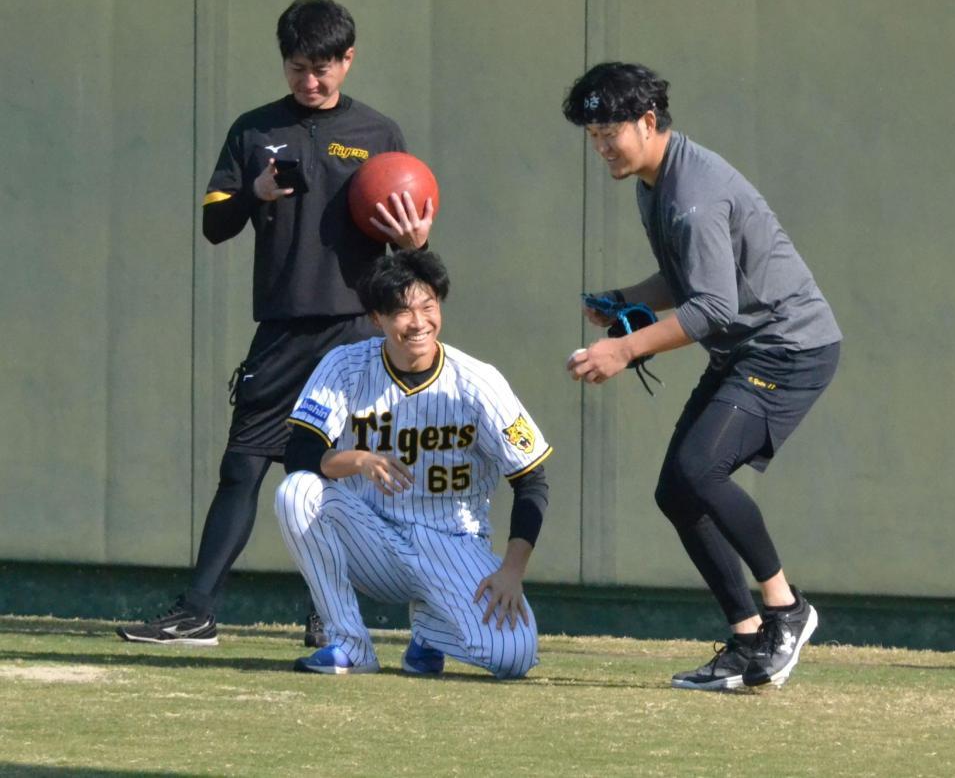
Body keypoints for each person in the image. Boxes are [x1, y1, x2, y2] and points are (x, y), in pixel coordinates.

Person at [117, 0, 433, 647]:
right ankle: (199, 610)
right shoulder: (254, 130)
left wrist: (417, 240)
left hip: (355, 332)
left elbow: (410, 252)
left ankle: (329, 615)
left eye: (322, 68)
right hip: (284, 330)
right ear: (284, 63)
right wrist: (252, 194)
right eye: (297, 68)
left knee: (331, 479)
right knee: (243, 467)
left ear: (348, 60)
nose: (310, 82)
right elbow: (214, 225)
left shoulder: (380, 134)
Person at [562, 62, 842, 691]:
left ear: (648, 121)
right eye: (592, 135)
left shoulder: (692, 195)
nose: (602, 144)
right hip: (745, 351)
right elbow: (691, 282)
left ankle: (787, 611)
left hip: (789, 351)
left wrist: (625, 349)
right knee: (676, 491)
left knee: (698, 471)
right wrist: (622, 297)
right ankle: (746, 641)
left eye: (610, 131)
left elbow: (711, 308)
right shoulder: (653, 181)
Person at [274, 249, 551, 677]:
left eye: (428, 306)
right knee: (296, 492)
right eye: (402, 311)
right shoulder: (347, 366)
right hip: (372, 537)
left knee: (513, 657)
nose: (419, 322)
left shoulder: (477, 381)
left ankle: (431, 628)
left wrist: (512, 571)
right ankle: (349, 643)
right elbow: (300, 452)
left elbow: (532, 480)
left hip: (453, 544)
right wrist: (359, 460)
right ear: (376, 318)